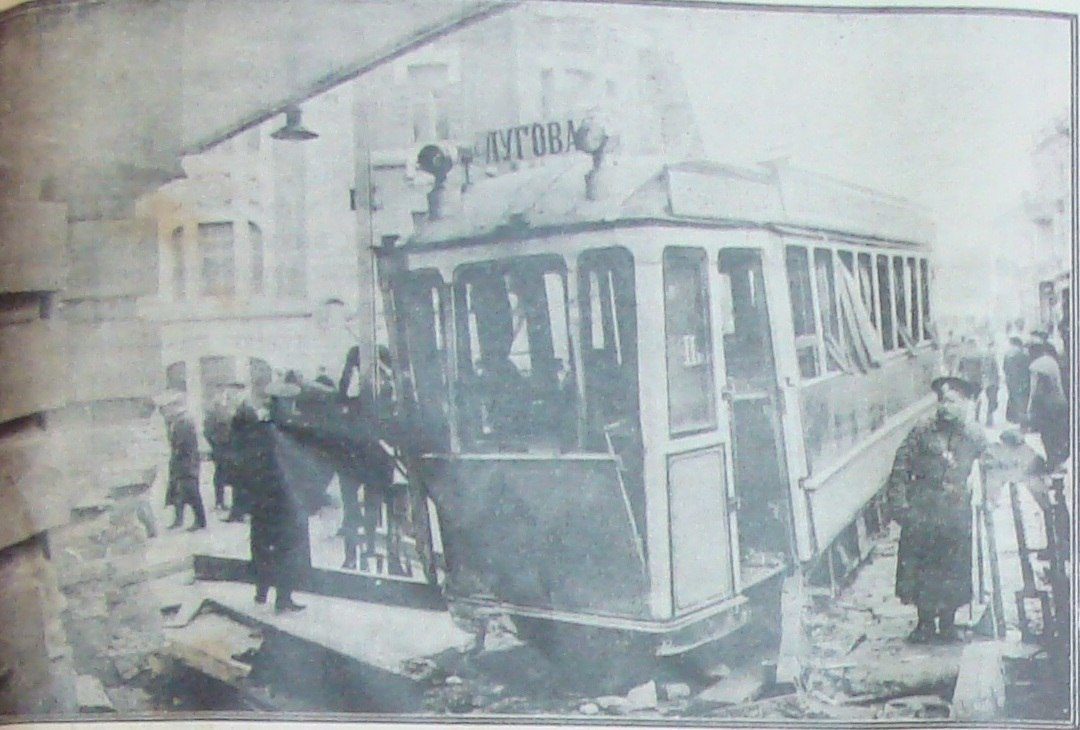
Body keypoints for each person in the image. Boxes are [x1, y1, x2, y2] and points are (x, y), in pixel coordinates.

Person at [887, 375, 987, 644]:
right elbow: (900, 467)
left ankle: (948, 624)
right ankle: (924, 624)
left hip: (956, 511)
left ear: (966, 403)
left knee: (953, 568)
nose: (945, 406)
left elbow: (991, 464)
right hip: (924, 509)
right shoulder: (922, 430)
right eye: (942, 400)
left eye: (952, 401)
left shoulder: (975, 433)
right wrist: (900, 506)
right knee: (923, 568)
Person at [230, 382, 307, 613]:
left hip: (262, 501)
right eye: (290, 404)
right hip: (282, 501)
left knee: (263, 546)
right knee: (287, 548)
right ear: (284, 405)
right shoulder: (285, 430)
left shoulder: (261, 429)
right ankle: (283, 599)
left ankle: (262, 591)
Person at [159, 392, 207, 531]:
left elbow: (181, 445)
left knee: (191, 492)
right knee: (177, 492)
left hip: (187, 463)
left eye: (168, 407)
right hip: (180, 463)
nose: (166, 411)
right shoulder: (176, 421)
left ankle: (200, 521)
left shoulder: (184, 422)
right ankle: (178, 519)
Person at [1027, 340, 1069, 471]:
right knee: (1057, 434)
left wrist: (1030, 408)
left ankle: (1052, 464)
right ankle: (1057, 462)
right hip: (1060, 403)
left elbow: (1034, 391)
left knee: (1047, 435)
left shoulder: (1036, 365)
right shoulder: (1052, 361)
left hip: (1046, 407)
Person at [1002, 336, 1031, 426]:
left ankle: (1013, 418)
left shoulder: (1008, 354)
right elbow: (1027, 368)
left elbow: (1004, 368)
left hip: (1011, 380)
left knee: (1012, 398)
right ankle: (1022, 421)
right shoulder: (1025, 354)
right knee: (1022, 401)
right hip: (1022, 380)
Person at [980, 339, 1000, 427]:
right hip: (991, 382)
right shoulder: (989, 357)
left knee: (991, 401)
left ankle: (990, 419)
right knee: (992, 401)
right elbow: (988, 370)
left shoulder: (988, 356)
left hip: (989, 382)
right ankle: (989, 420)